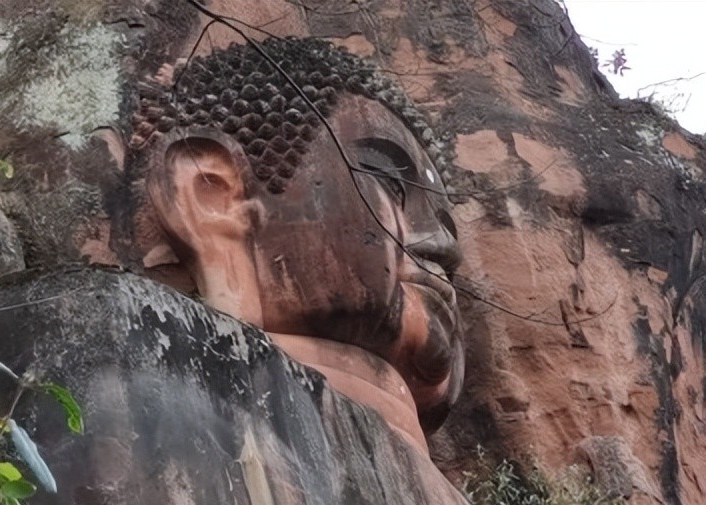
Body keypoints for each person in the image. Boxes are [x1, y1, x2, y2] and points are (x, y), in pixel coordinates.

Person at [129, 37, 463, 449]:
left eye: (445, 221)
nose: (446, 246)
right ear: (211, 196)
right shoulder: (147, 430)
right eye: (393, 184)